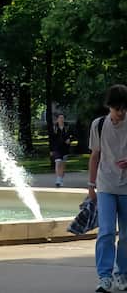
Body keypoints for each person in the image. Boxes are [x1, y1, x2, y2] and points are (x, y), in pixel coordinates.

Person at [88, 84, 127, 293]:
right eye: (117, 108)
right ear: (109, 106)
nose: (120, 113)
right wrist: (91, 185)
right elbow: (95, 156)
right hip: (106, 185)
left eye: (124, 109)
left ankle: (123, 274)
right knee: (106, 231)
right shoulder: (99, 125)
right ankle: (105, 276)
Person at [51, 111, 73, 187]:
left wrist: (70, 139)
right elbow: (51, 139)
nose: (61, 119)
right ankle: (58, 179)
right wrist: (51, 150)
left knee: (63, 164)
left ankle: (61, 179)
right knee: (58, 163)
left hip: (65, 148)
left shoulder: (67, 127)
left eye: (62, 118)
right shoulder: (54, 128)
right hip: (57, 148)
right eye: (60, 118)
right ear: (57, 119)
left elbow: (73, 135)